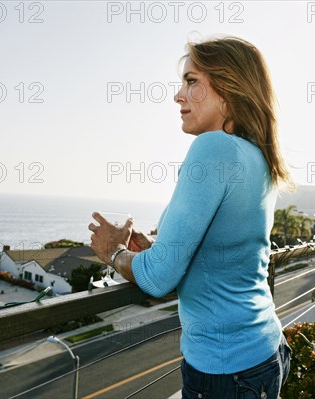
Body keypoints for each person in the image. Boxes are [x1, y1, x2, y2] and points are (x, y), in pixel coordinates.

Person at [89, 36, 293, 398]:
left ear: (229, 88)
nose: (178, 95)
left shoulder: (213, 148)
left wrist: (115, 252)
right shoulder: (256, 158)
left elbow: (157, 278)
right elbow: (225, 254)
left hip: (226, 371)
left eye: (192, 81)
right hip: (264, 351)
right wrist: (155, 248)